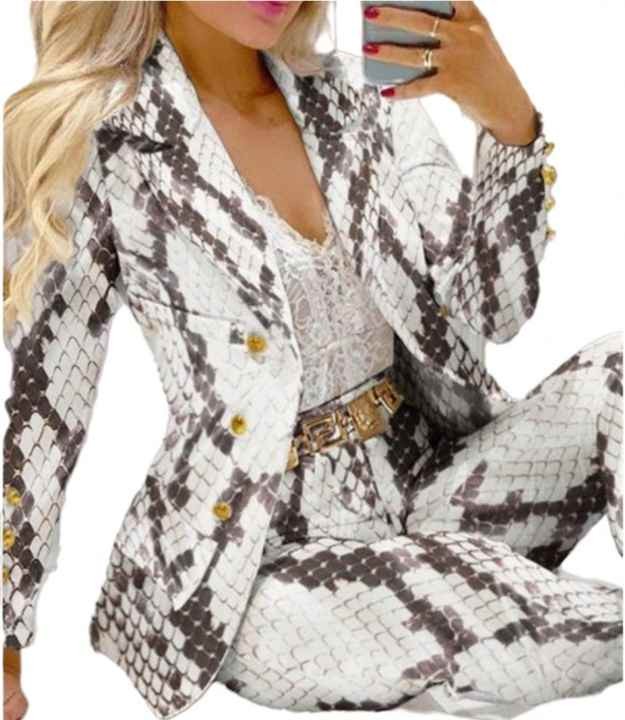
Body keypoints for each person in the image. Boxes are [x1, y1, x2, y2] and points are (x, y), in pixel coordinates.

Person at [3, 2, 622, 719]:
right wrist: (5, 627)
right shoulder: (105, 147)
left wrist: (509, 125)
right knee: (461, 596)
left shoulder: (362, 99)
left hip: (431, 491)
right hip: (255, 567)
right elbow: (46, 409)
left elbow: (494, 309)